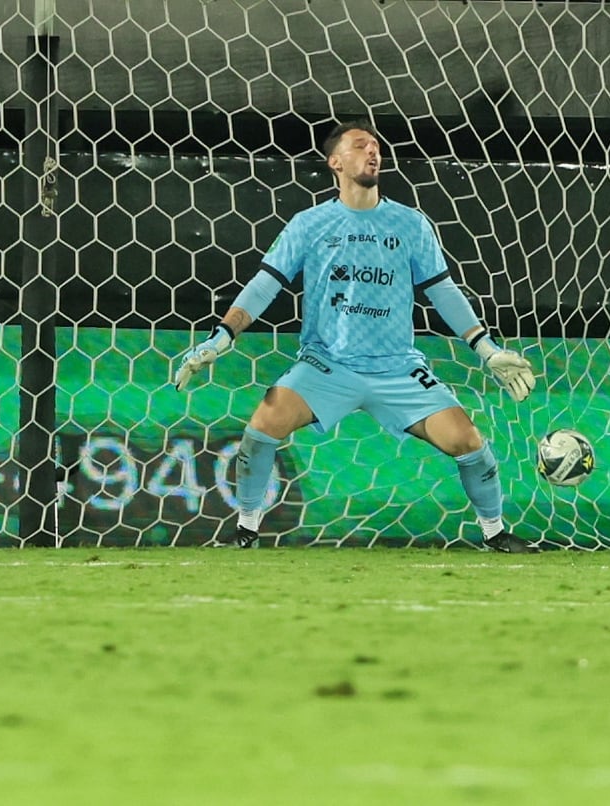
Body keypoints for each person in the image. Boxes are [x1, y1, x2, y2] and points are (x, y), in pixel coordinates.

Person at [173, 121, 538, 553]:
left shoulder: (410, 224)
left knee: (468, 442)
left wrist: (486, 348)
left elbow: (443, 291)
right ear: (335, 161)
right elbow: (265, 284)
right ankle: (247, 529)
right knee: (262, 426)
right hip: (327, 365)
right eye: (360, 145)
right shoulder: (310, 224)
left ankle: (495, 533)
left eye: (376, 146)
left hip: (398, 369)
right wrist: (222, 336)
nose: (373, 151)